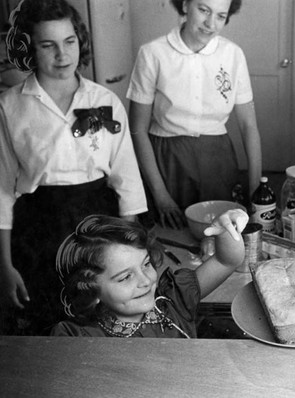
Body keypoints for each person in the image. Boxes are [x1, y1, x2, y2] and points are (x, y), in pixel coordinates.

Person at [0, 0, 148, 335]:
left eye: (69, 42)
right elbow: (2, 192)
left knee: (101, 313)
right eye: (47, 45)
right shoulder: (9, 107)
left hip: (97, 221)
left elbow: (127, 181)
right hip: (38, 228)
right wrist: (4, 265)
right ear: (29, 49)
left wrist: (131, 251)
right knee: (48, 318)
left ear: (80, 41)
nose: (62, 55)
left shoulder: (105, 101)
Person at [127, 0, 262, 229]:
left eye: (221, 16)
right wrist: (160, 194)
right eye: (203, 10)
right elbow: (137, 129)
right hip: (166, 161)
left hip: (217, 160)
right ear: (185, 5)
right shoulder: (153, 53)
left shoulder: (233, 54)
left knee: (220, 236)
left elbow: (249, 125)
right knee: (170, 236)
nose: (211, 23)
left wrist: (255, 189)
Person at [50, 209, 247, 337]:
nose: (145, 281)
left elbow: (225, 260)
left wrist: (227, 231)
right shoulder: (77, 337)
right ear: (91, 292)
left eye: (145, 265)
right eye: (125, 277)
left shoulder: (173, 300)